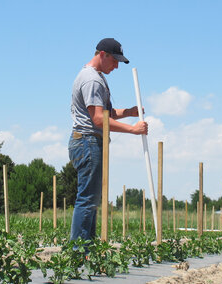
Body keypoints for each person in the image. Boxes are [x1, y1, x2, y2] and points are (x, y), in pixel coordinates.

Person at [69, 38, 148, 241]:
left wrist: (129, 112)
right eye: (114, 61)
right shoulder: (92, 80)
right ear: (102, 55)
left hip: (88, 142)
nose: (116, 66)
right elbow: (97, 119)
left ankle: (87, 248)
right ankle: (79, 251)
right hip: (88, 142)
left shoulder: (96, 77)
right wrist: (132, 130)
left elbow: (107, 113)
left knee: (91, 199)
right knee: (87, 199)